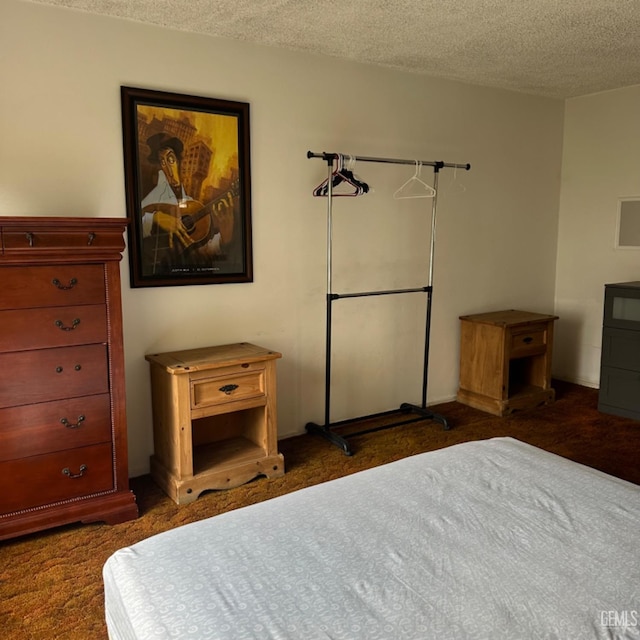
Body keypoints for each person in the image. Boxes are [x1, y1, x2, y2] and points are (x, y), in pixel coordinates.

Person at [140, 132, 235, 273]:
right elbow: (131, 229)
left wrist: (223, 237)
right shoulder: (154, 196)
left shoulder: (190, 205)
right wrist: (156, 218)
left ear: (179, 162)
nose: (167, 167)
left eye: (171, 159)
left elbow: (199, 251)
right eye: (162, 161)